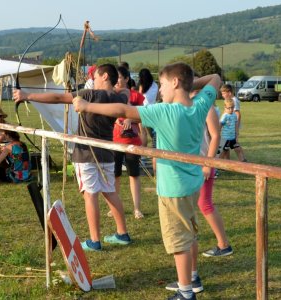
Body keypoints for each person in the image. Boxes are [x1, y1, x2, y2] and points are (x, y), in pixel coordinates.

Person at [73, 62, 222, 300]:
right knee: (189, 232)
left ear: (174, 82)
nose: (160, 90)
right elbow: (215, 78)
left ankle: (186, 292)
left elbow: (123, 111)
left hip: (174, 189)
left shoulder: (165, 111)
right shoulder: (200, 105)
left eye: (163, 84)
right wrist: (188, 84)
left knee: (179, 240)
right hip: (192, 184)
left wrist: (86, 105)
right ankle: (191, 278)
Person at [14, 63, 132, 252]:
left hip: (86, 153)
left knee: (90, 194)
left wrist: (27, 96)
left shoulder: (88, 95)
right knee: (110, 191)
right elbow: (125, 92)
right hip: (107, 152)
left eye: (96, 75)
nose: (92, 78)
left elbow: (58, 97)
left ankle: (95, 240)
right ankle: (122, 233)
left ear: (104, 77)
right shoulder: (119, 97)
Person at [189, 90, 233, 258]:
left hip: (204, 163)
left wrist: (208, 164)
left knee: (205, 204)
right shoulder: (191, 106)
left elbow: (215, 136)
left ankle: (224, 244)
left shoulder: (207, 108)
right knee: (197, 203)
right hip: (195, 163)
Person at [108, 65, 145, 219]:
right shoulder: (109, 96)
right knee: (115, 174)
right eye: (114, 77)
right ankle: (114, 207)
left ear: (127, 79)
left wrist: (131, 118)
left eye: (119, 77)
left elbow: (143, 115)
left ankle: (137, 208)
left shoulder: (136, 97)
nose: (116, 81)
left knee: (133, 175)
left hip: (132, 141)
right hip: (114, 140)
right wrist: (115, 119)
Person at [220, 84, 247, 162]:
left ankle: (243, 160)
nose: (222, 95)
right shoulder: (229, 101)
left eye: (223, 93)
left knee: (235, 145)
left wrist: (236, 129)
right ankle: (226, 161)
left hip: (232, 128)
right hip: (228, 129)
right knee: (227, 147)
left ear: (229, 92)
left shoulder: (233, 101)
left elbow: (237, 114)